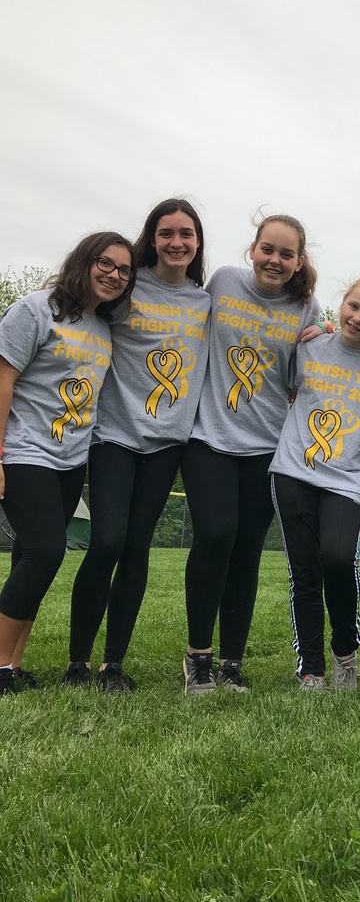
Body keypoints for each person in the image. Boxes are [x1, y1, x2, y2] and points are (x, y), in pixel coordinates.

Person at [64, 199, 210, 691]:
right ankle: (77, 662)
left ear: (197, 241)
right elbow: (78, 314)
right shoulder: (126, 286)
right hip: (114, 435)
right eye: (166, 233)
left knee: (137, 549)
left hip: (168, 443)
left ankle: (112, 665)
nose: (176, 242)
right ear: (152, 237)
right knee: (106, 541)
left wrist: (315, 329)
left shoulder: (204, 301)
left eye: (186, 234)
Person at [181, 213, 321, 695]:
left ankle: (231, 664)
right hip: (208, 437)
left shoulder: (305, 306)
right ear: (252, 249)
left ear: (298, 261)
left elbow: (303, 378)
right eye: (268, 249)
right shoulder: (223, 281)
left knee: (246, 553)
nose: (275, 260)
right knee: (215, 535)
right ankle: (198, 657)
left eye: (286, 254)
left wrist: (321, 342)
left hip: (267, 446)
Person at [0, 231, 135, 696]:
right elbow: (3, 380)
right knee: (45, 550)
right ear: (83, 260)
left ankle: (12, 666)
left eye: (124, 270)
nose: (114, 275)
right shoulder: (35, 310)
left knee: (28, 556)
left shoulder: (102, 327)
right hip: (24, 451)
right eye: (105, 263)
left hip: (70, 460)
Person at [270, 276, 360, 690]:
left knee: (339, 558)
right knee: (304, 573)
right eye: (353, 307)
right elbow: (282, 390)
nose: (358, 318)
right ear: (342, 304)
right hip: (292, 471)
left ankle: (345, 654)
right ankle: (312, 669)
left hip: (345, 479)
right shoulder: (307, 346)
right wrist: (322, 328)